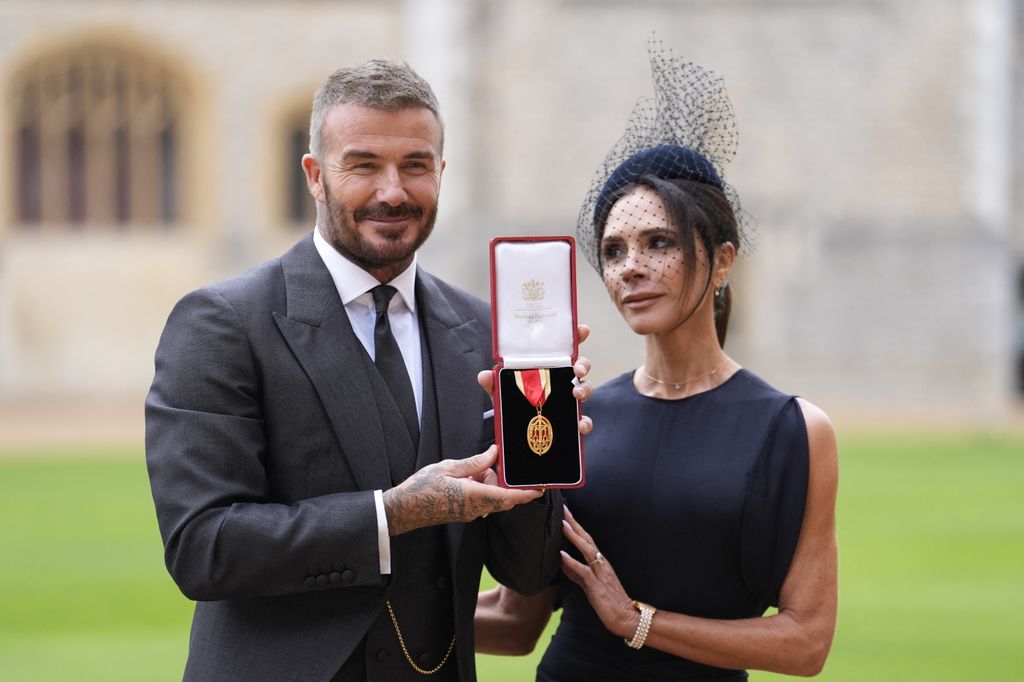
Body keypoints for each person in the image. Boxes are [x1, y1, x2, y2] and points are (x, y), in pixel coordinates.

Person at [145, 58, 592, 682]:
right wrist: (392, 514)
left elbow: (527, 573)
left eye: (415, 165)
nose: (393, 191)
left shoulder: (488, 332)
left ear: (441, 172)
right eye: (363, 165)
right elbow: (203, 547)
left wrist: (542, 451)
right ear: (315, 176)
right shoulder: (222, 322)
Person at [474, 45, 838, 680]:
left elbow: (805, 644)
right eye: (613, 250)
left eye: (659, 242)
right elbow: (515, 622)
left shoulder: (795, 431)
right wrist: (354, 600)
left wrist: (637, 621)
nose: (630, 268)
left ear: (723, 260)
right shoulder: (573, 414)